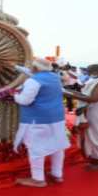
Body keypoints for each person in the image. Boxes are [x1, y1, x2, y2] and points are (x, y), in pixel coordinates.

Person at [13, 58, 70, 187]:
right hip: (56, 118)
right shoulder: (54, 77)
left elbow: (24, 101)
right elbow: (31, 71)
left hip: (38, 119)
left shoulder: (33, 81)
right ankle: (57, 174)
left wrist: (14, 95)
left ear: (36, 69)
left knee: (35, 148)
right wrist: (15, 66)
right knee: (58, 146)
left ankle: (38, 179)